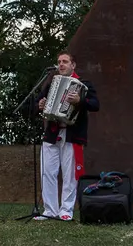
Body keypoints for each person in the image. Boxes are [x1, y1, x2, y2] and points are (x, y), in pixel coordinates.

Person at [35, 51, 100, 221]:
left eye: (65, 61)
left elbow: (95, 105)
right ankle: (50, 210)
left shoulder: (84, 84)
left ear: (73, 65)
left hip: (72, 134)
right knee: (47, 172)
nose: (61, 64)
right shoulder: (51, 84)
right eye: (59, 62)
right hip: (52, 133)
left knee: (69, 174)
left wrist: (80, 101)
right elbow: (38, 102)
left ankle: (66, 210)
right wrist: (40, 105)